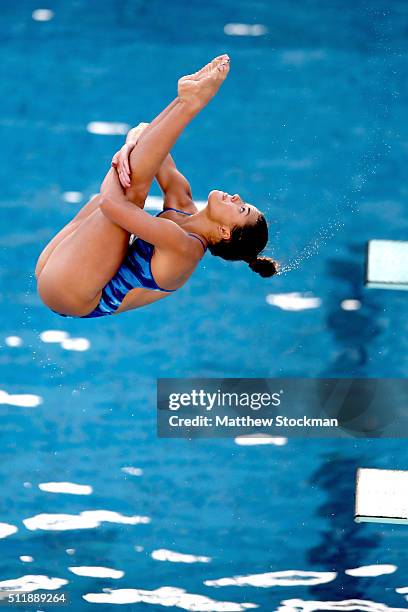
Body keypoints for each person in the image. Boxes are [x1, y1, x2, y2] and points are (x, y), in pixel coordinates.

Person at [35, 55, 278, 319]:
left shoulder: (185, 249)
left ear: (224, 232)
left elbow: (111, 205)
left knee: (132, 195)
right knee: (138, 177)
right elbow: (145, 132)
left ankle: (191, 104)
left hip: (69, 293)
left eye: (241, 209)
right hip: (59, 262)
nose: (237, 197)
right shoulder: (182, 203)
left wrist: (121, 157)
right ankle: (188, 99)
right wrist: (131, 145)